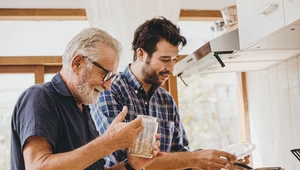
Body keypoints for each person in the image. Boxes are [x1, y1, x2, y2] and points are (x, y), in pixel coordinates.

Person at [90, 16, 248, 170]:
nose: (171, 68)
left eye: (174, 59)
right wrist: (195, 159)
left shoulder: (166, 100)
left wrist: (216, 163)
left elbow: (182, 159)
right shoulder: (110, 92)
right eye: (165, 59)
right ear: (141, 54)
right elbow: (128, 163)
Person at [10, 28, 163, 170]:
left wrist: (131, 164)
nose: (108, 86)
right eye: (105, 75)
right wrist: (108, 143)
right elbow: (38, 167)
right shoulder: (39, 97)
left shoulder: (83, 108)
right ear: (77, 63)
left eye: (112, 77)